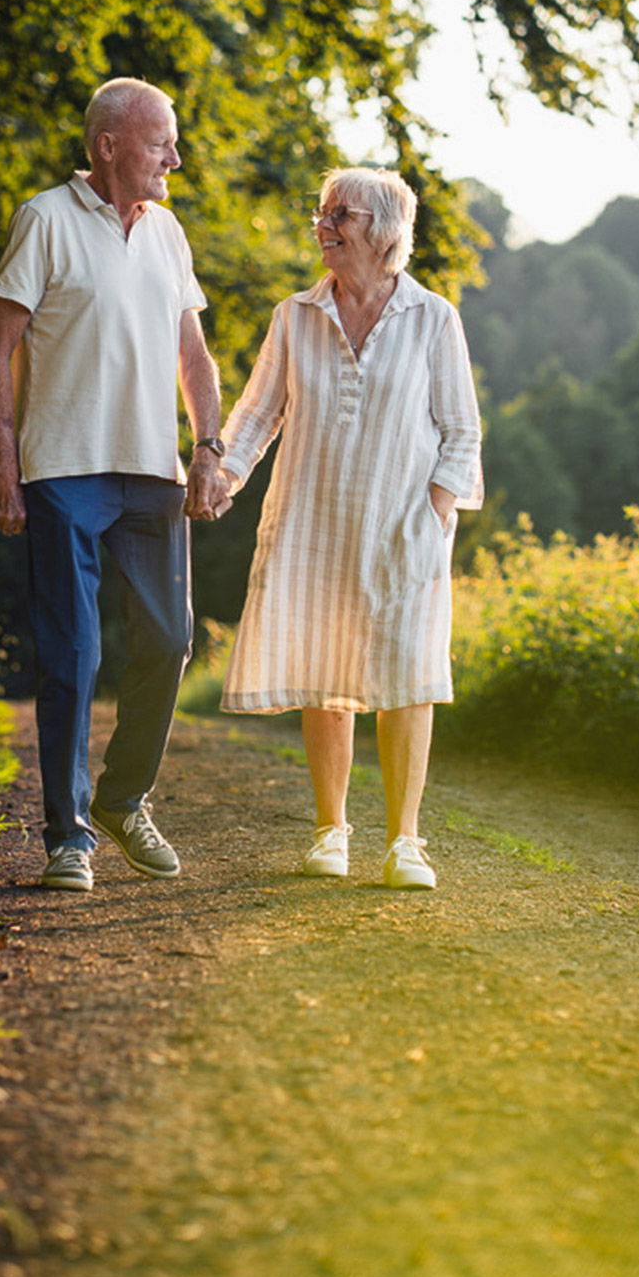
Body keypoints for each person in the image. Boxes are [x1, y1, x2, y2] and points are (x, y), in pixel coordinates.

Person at [0, 78, 225, 893]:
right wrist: (5, 469)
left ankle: (121, 799)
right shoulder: (45, 219)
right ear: (109, 146)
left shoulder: (168, 232)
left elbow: (194, 355)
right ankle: (68, 836)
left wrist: (209, 448)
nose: (174, 158)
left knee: (169, 639)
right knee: (74, 654)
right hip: (62, 470)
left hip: (153, 471)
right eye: (161, 143)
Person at [215, 166, 482, 889]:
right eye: (322, 212)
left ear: (384, 230)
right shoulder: (294, 315)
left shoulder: (433, 318)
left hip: (404, 527)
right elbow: (257, 414)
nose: (323, 225)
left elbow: (462, 433)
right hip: (313, 518)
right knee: (322, 669)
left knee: (408, 675)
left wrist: (434, 511)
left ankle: (405, 843)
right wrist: (221, 477)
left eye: (341, 214)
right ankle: (330, 832)